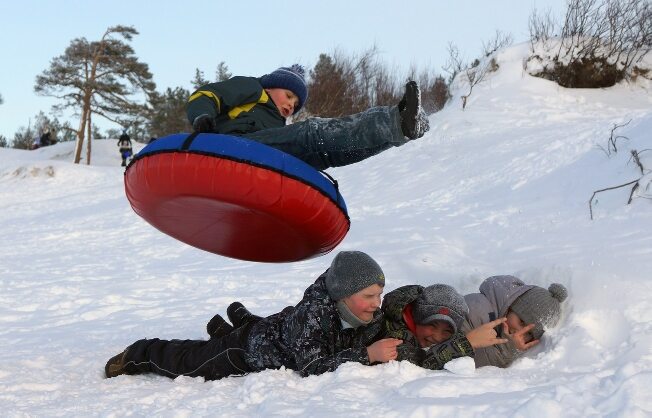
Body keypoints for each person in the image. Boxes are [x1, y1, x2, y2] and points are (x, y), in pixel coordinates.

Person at [105, 251, 403, 380]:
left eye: (378, 294)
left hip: (273, 331)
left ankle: (234, 323)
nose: (377, 303)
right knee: (190, 363)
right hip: (244, 350)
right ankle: (140, 353)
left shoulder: (360, 311)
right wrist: (366, 355)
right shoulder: (315, 314)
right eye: (368, 296)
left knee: (267, 330)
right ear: (342, 294)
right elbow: (312, 366)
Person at [186, 64, 430, 170]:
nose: (292, 104)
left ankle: (401, 129)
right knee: (312, 133)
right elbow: (208, 94)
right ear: (272, 86)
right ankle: (395, 122)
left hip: (263, 154)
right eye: (289, 95)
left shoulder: (276, 124)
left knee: (327, 153)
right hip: (232, 146)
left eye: (296, 103)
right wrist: (202, 118)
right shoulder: (254, 88)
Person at [380, 283, 509, 370]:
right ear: (416, 317)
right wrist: (466, 342)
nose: (436, 336)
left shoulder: (449, 339)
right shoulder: (394, 332)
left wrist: (509, 346)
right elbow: (418, 365)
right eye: (432, 325)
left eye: (447, 331)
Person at [460, 275, 568, 368]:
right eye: (521, 322)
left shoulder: (499, 326)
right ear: (511, 306)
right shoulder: (477, 310)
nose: (519, 332)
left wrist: (510, 347)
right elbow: (460, 363)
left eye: (529, 333)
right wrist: (506, 350)